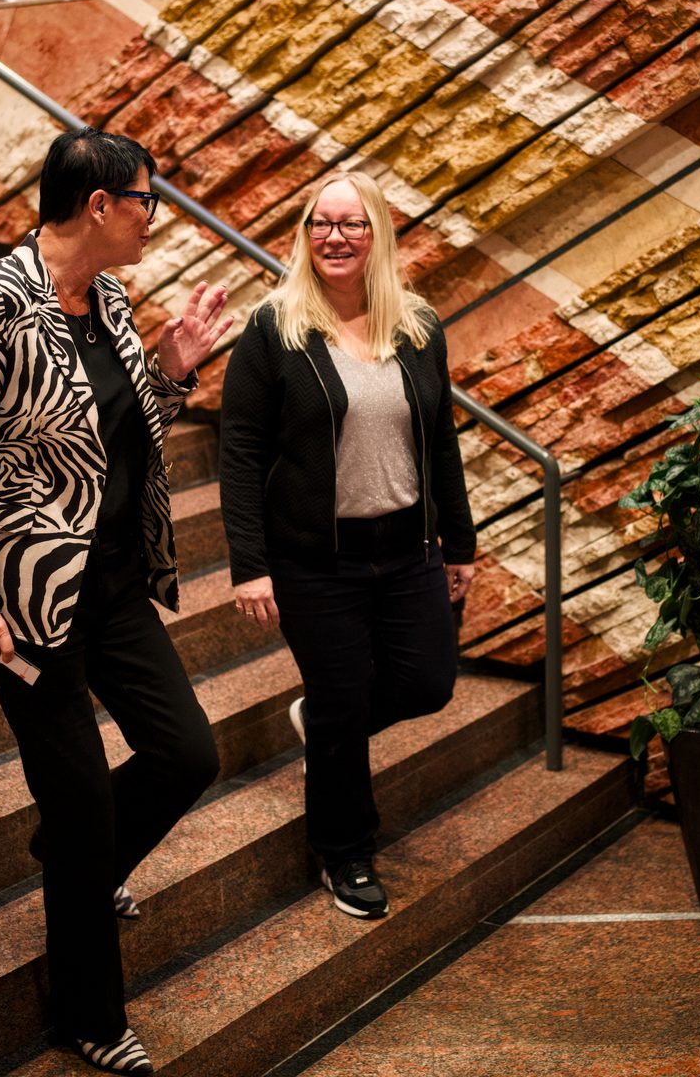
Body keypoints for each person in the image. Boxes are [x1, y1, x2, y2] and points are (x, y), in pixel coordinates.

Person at [0, 128, 232, 1075]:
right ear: (100, 204)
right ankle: (88, 1015)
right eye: (148, 199)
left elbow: (118, 433)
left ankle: (72, 859)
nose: (154, 217)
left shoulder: (111, 298)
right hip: (23, 599)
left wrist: (169, 366)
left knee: (187, 754)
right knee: (88, 806)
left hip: (116, 583)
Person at [217, 170, 476, 922]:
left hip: (406, 549)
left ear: (377, 236)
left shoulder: (418, 326)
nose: (335, 237)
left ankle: (327, 718)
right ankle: (345, 851)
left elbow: (442, 444)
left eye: (352, 224)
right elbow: (238, 453)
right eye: (320, 224)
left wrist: (458, 542)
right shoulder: (275, 328)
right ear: (304, 235)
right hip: (312, 560)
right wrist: (250, 564)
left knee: (428, 683)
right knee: (341, 699)